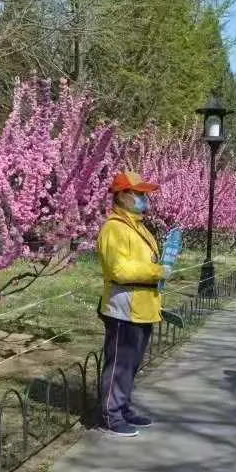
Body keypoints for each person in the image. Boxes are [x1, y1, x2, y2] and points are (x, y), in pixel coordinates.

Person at [97, 171, 169, 437]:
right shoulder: (114, 228)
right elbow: (120, 269)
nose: (144, 198)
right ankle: (111, 415)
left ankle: (123, 407)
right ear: (123, 196)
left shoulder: (138, 227)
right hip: (124, 307)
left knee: (132, 363)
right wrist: (156, 271)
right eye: (139, 194)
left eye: (144, 194)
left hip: (143, 306)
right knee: (119, 364)